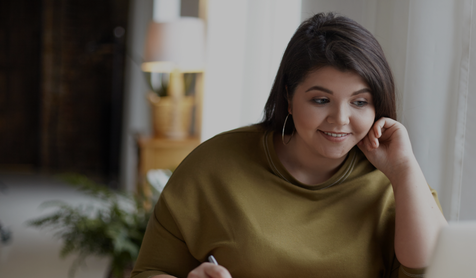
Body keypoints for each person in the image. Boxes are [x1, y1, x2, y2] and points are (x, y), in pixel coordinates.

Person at [131, 12, 447, 278]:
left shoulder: (395, 181)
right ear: (289, 98)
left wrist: (404, 169)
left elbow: (438, 267)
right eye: (321, 100)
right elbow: (149, 271)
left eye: (360, 102)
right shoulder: (213, 166)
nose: (340, 119)